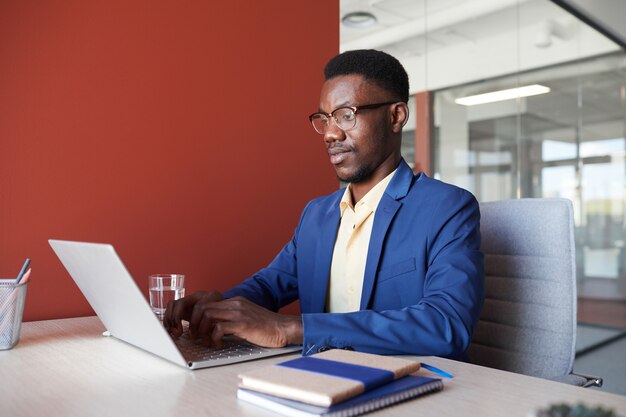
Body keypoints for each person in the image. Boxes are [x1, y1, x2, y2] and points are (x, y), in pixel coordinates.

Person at [164, 49, 484, 360]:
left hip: (409, 388)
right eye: (324, 118)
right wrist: (214, 307)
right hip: (320, 381)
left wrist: (292, 328)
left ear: (395, 116)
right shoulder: (317, 214)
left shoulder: (446, 208)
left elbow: (447, 325)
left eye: (346, 115)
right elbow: (269, 285)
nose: (330, 134)